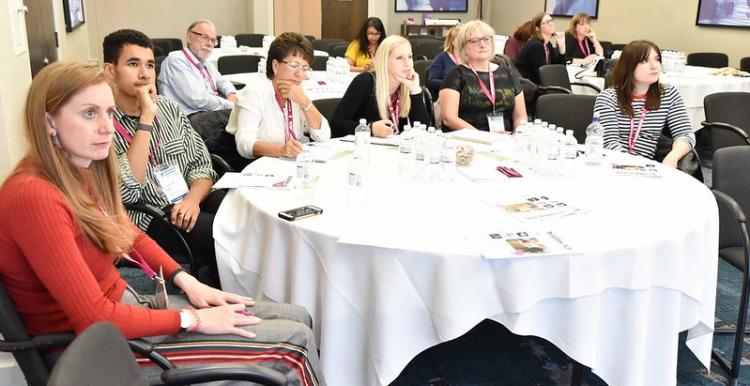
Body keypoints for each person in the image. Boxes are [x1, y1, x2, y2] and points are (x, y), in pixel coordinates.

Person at [0, 61, 322, 385]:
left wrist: (187, 281)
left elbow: (131, 236)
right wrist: (192, 319)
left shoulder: (75, 170)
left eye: (109, 113)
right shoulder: (35, 196)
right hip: (96, 353)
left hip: (126, 313)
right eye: (88, 113)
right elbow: (95, 318)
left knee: (299, 317)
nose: (106, 128)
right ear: (49, 122)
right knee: (291, 344)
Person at [103, 29, 222, 287]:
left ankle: (220, 278)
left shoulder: (168, 108)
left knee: (239, 211)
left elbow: (202, 165)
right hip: (150, 217)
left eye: (149, 65)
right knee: (224, 234)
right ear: (110, 71)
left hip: (187, 201)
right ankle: (220, 290)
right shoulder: (104, 124)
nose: (145, 74)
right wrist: (146, 118)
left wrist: (192, 200)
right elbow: (127, 191)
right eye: (133, 64)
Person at [158, 19, 246, 171]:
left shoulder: (204, 62)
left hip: (207, 117)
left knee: (245, 118)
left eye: (213, 40)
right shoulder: (176, 60)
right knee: (244, 114)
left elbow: (222, 81)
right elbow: (197, 99)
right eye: (204, 37)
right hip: (188, 122)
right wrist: (232, 105)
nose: (210, 43)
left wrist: (230, 92)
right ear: (189, 37)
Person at [226, 32, 331, 159]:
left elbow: (323, 136)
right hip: (264, 165)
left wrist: (305, 102)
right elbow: (244, 144)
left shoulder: (297, 90)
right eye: (294, 65)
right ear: (276, 65)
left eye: (305, 68)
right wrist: (281, 150)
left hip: (296, 163)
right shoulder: (255, 93)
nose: (300, 75)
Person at [593, 40, 695, 167]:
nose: (654, 66)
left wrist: (672, 157)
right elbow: (609, 143)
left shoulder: (669, 94)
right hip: (614, 165)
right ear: (629, 66)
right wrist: (633, 166)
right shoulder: (608, 98)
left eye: (657, 59)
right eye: (645, 61)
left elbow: (685, 134)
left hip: (650, 167)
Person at [331, 35, 430, 138]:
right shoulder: (365, 82)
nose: (407, 63)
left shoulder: (405, 87)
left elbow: (424, 129)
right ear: (385, 61)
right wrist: (370, 129)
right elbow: (337, 124)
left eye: (409, 57)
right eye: (399, 58)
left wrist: (415, 91)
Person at [439, 20, 527, 133]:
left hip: (505, 140)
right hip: (468, 142)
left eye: (486, 39)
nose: (482, 44)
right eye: (475, 41)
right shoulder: (456, 74)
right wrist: (485, 138)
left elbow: (520, 116)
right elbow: (449, 119)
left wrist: (517, 134)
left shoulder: (508, 73)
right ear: (463, 47)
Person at [516, 12, 567, 84]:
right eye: (546, 22)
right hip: (532, 88)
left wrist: (562, 48)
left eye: (551, 20)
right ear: (537, 28)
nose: (550, 24)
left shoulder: (547, 44)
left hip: (542, 84)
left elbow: (559, 70)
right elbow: (543, 75)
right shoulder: (536, 45)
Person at [427, 24, 463, 99]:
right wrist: (454, 84)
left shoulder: (472, 58)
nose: (463, 42)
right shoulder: (442, 58)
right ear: (452, 41)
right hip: (444, 98)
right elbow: (431, 82)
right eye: (460, 38)